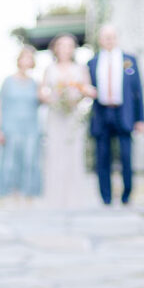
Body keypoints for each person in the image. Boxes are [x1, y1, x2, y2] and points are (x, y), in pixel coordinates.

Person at [87, 24, 144, 205]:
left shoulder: (129, 60)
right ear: (100, 40)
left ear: (117, 38)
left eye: (112, 36)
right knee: (103, 157)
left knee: (126, 156)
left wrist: (140, 119)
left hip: (124, 113)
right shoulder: (93, 62)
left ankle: (126, 194)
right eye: (105, 37)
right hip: (102, 113)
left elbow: (138, 90)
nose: (109, 40)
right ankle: (106, 197)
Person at [39, 33, 96, 208]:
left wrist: (77, 91)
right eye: (62, 45)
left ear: (73, 49)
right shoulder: (50, 69)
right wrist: (53, 97)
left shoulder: (80, 69)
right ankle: (55, 199)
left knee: (74, 153)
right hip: (56, 116)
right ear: (56, 48)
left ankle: (74, 199)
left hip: (73, 116)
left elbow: (91, 91)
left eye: (69, 46)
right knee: (55, 154)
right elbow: (42, 93)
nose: (65, 49)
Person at [0, 46, 43, 199]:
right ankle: (11, 195)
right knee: (10, 163)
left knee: (30, 161)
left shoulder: (36, 83)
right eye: (24, 58)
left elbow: (43, 101)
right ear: (18, 60)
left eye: (30, 59)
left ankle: (29, 196)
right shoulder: (8, 82)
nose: (26, 61)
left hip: (31, 128)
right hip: (11, 128)